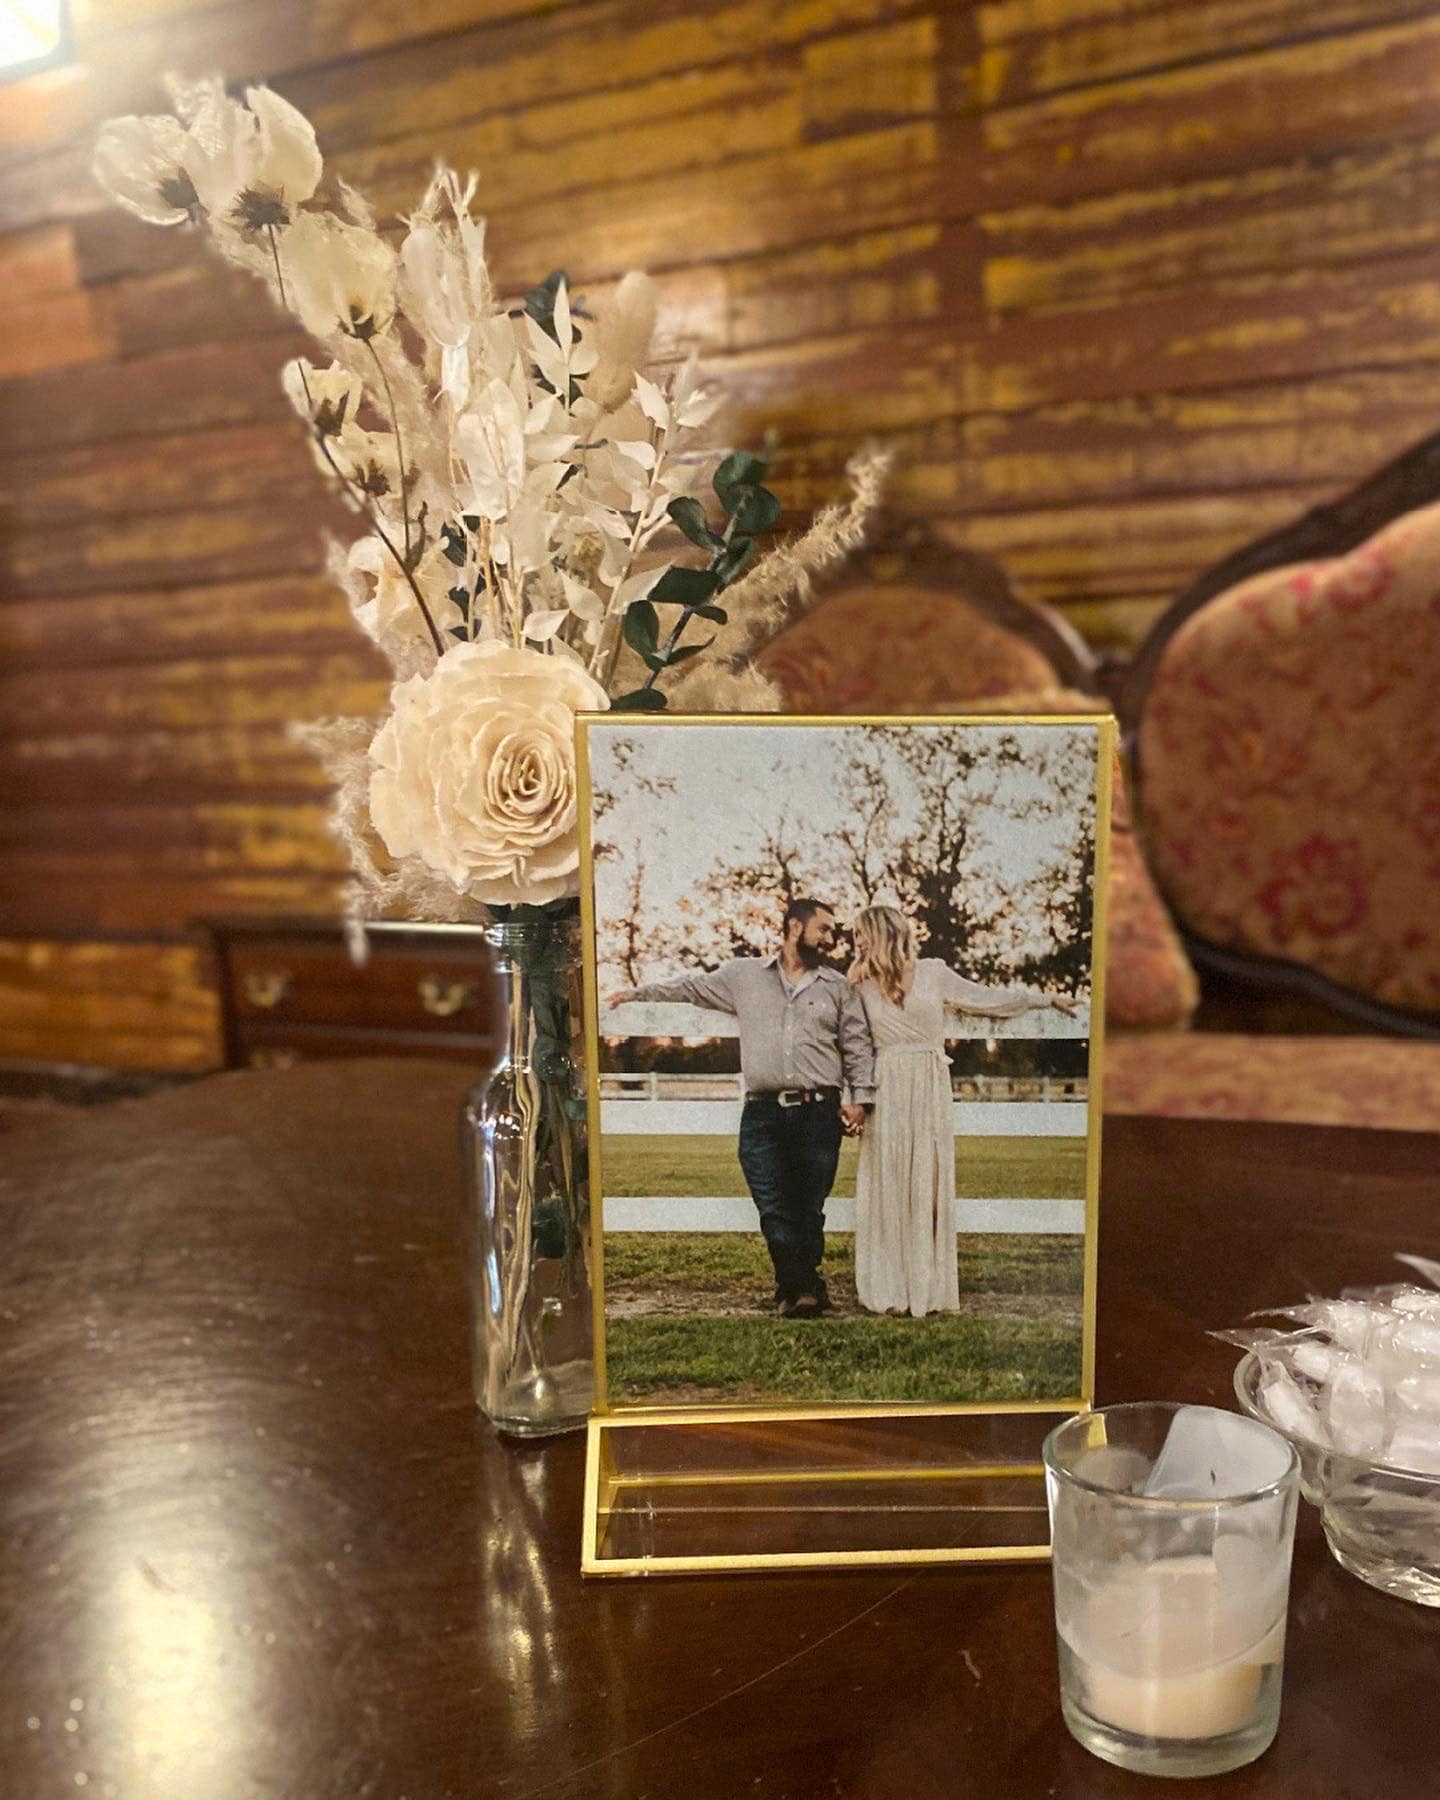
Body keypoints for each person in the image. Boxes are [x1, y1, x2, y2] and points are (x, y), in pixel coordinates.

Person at [609, 898, 876, 1318]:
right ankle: (804, 1286)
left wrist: (859, 1099)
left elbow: (857, 1045)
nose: (830, 938)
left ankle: (798, 1289)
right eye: (823, 929)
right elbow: (690, 987)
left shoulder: (837, 987)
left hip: (817, 1111)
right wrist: (636, 995)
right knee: (771, 1203)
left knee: (809, 1207)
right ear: (793, 926)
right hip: (763, 1113)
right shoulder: (743, 976)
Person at [847, 905, 1077, 1319]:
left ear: (881, 934)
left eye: (861, 934)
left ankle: (928, 1287)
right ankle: (893, 1287)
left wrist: (1044, 998)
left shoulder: (933, 972)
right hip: (888, 1085)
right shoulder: (859, 984)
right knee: (891, 1186)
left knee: (931, 1191)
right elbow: (850, 1044)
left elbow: (986, 998)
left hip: (929, 1084)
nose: (856, 943)